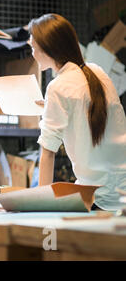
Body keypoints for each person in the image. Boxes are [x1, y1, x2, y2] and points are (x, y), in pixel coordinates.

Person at [28, 13, 126, 211]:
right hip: (121, 196)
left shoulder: (58, 86)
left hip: (98, 199)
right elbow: (85, 106)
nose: (32, 53)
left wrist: (39, 206)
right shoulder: (97, 72)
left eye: (33, 47)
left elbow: (47, 152)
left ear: (48, 48)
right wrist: (51, 106)